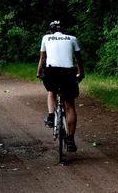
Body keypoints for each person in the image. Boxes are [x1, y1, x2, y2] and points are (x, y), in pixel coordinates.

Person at [36, 20, 84, 152]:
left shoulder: (46, 38)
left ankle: (51, 116)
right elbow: (78, 59)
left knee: (51, 90)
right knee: (70, 105)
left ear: (51, 30)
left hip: (52, 72)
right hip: (68, 72)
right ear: (63, 30)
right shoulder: (72, 38)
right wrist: (81, 73)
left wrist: (39, 72)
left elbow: (42, 58)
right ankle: (70, 140)